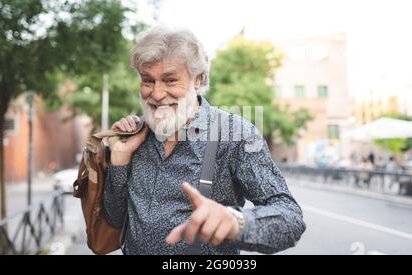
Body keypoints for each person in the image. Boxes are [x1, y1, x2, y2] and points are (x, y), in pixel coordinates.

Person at [103, 26, 305, 255]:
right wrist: (119, 160)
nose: (157, 94)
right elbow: (115, 217)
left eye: (170, 80)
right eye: (148, 81)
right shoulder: (136, 135)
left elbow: (291, 218)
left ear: (197, 80)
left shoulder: (235, 135)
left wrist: (235, 222)